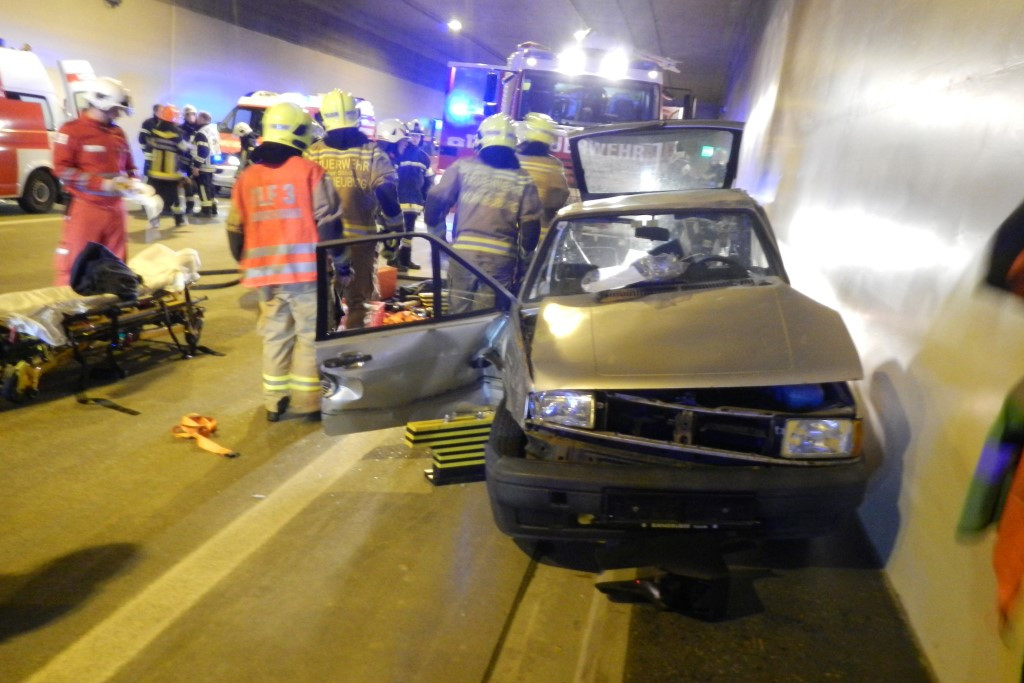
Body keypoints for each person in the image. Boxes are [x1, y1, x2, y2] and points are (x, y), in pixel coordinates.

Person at [225, 102, 344, 422]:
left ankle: (273, 401)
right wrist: (342, 261)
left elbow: (235, 229)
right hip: (306, 273)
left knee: (276, 334)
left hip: (265, 277)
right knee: (309, 336)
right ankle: (307, 402)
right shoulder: (311, 172)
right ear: (299, 134)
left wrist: (246, 262)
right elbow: (329, 223)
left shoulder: (248, 177)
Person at [305, 90, 402, 329]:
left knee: (321, 297)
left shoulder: (312, 153)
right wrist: (395, 232)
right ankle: (351, 351)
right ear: (356, 117)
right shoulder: (371, 152)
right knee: (358, 301)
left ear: (324, 119)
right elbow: (387, 192)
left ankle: (323, 345)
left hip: (321, 241)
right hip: (360, 241)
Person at [424, 113, 542, 303]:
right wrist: (523, 264)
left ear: (481, 140)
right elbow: (530, 228)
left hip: (463, 257)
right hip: (500, 263)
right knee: (488, 320)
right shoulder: (523, 179)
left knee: (457, 319)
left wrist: (438, 238)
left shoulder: (463, 168)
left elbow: (435, 201)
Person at [52, 76, 136, 285]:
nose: (118, 114)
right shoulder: (72, 131)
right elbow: (62, 169)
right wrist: (102, 184)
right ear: (102, 103)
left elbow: (130, 167)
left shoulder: (117, 133)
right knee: (76, 262)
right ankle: (67, 308)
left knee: (117, 263)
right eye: (116, 109)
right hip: (86, 208)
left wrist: (136, 183)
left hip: (116, 209)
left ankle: (113, 309)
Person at [378, 118, 433, 272]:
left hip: (414, 202)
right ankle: (393, 260)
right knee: (396, 232)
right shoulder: (398, 154)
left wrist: (425, 200)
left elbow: (429, 181)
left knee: (408, 234)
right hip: (398, 201)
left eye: (418, 136)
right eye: (412, 136)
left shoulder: (424, 157)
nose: (415, 139)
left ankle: (405, 259)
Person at [514, 112, 569, 245]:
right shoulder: (553, 166)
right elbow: (558, 200)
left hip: (507, 231)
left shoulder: (511, 159)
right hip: (539, 237)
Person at [144, 104, 191, 228]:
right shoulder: (177, 133)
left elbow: (149, 147)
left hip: (155, 171)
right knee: (176, 198)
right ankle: (179, 219)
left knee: (154, 196)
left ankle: (154, 220)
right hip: (171, 173)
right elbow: (183, 148)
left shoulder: (154, 131)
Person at [191, 110, 221, 217]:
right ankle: (213, 207)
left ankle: (205, 210)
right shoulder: (214, 130)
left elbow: (203, 151)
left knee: (203, 187)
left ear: (203, 119)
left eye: (198, 117)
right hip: (212, 163)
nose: (196, 119)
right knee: (210, 186)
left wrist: (196, 166)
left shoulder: (201, 132)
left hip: (204, 164)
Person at [180, 104, 200, 215]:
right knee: (187, 184)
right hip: (184, 161)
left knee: (200, 185)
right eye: (187, 114)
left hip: (198, 161)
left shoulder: (200, 128)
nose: (190, 116)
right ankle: (189, 206)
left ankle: (207, 207)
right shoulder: (181, 128)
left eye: (192, 114)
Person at [138, 103, 161, 176]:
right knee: (149, 177)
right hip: (150, 157)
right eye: (161, 111)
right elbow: (142, 139)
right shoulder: (148, 123)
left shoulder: (164, 124)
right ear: (155, 112)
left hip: (160, 157)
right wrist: (146, 151)